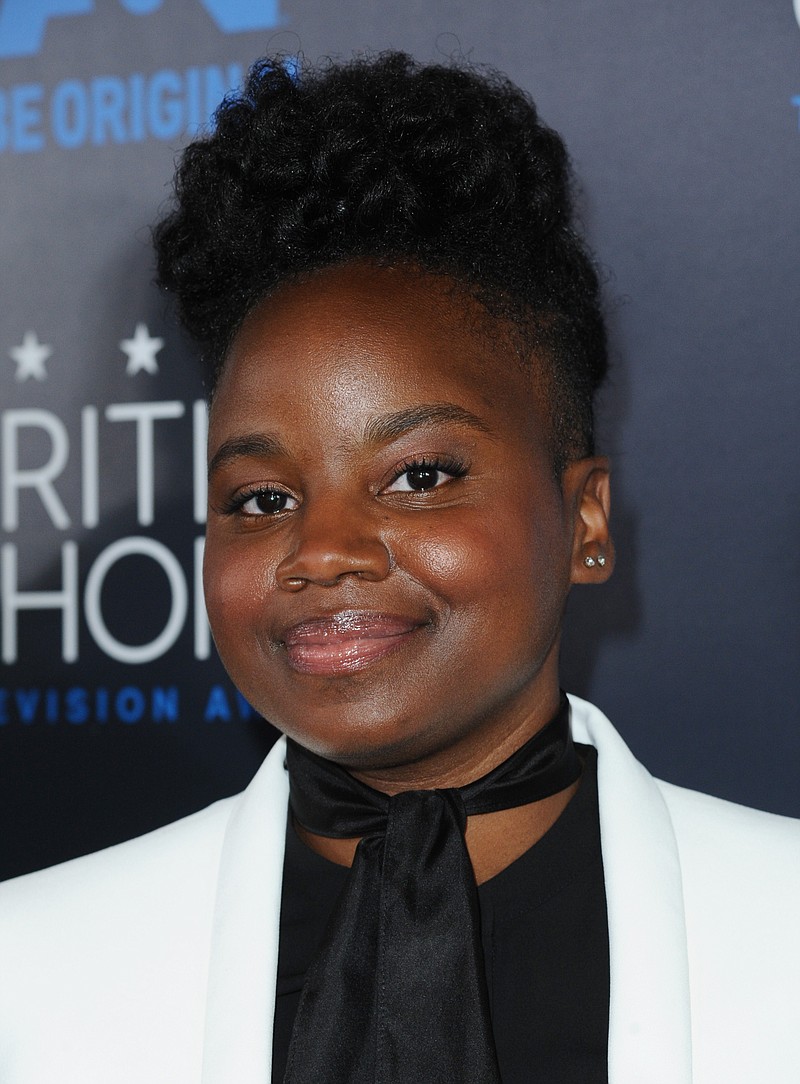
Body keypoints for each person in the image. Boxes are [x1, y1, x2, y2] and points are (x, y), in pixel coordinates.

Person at [0, 52, 797, 1084]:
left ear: (585, 518)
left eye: (418, 474)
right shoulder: (32, 966)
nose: (321, 547)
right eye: (261, 498)